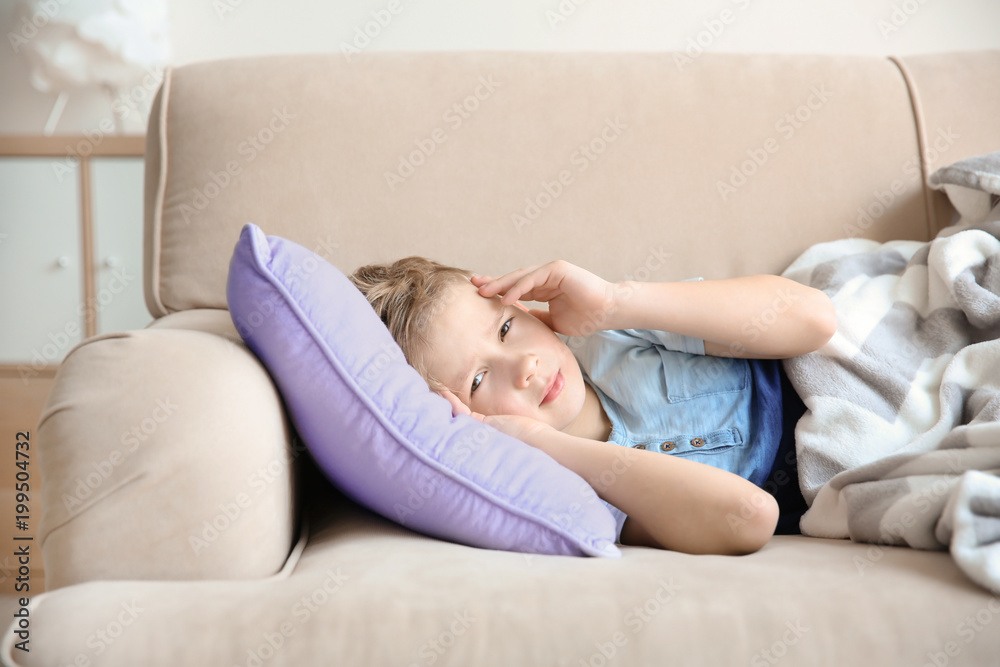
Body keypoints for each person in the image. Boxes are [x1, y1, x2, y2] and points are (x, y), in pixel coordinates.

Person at [350, 257, 837, 556]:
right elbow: (751, 515)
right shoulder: (574, 491)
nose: (524, 366)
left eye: (505, 328)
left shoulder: (611, 333)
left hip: (821, 369)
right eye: (477, 380)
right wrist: (538, 442)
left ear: (522, 307)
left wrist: (614, 301)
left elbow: (815, 319)